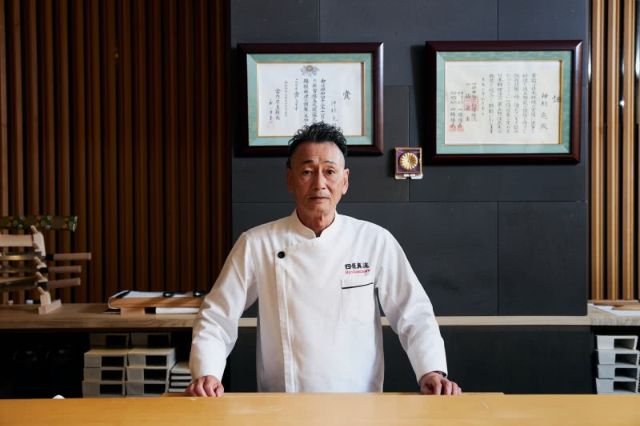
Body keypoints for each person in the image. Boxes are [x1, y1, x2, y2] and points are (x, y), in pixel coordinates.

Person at [187, 122, 461, 397]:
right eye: (307, 172)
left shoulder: (374, 240)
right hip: (282, 404)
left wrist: (431, 370)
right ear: (290, 179)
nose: (319, 183)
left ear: (345, 180)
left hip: (361, 403)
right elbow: (217, 316)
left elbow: (413, 312)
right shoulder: (257, 243)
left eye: (329, 171)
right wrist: (207, 373)